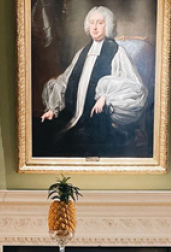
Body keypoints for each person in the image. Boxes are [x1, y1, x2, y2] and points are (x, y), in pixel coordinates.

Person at [35, 5, 147, 157]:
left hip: (100, 121)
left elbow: (133, 87)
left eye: (100, 23)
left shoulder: (117, 52)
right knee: (43, 134)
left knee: (79, 142)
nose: (95, 27)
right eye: (92, 22)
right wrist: (52, 109)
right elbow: (65, 81)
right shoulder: (82, 52)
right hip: (73, 114)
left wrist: (107, 97)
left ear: (108, 25)